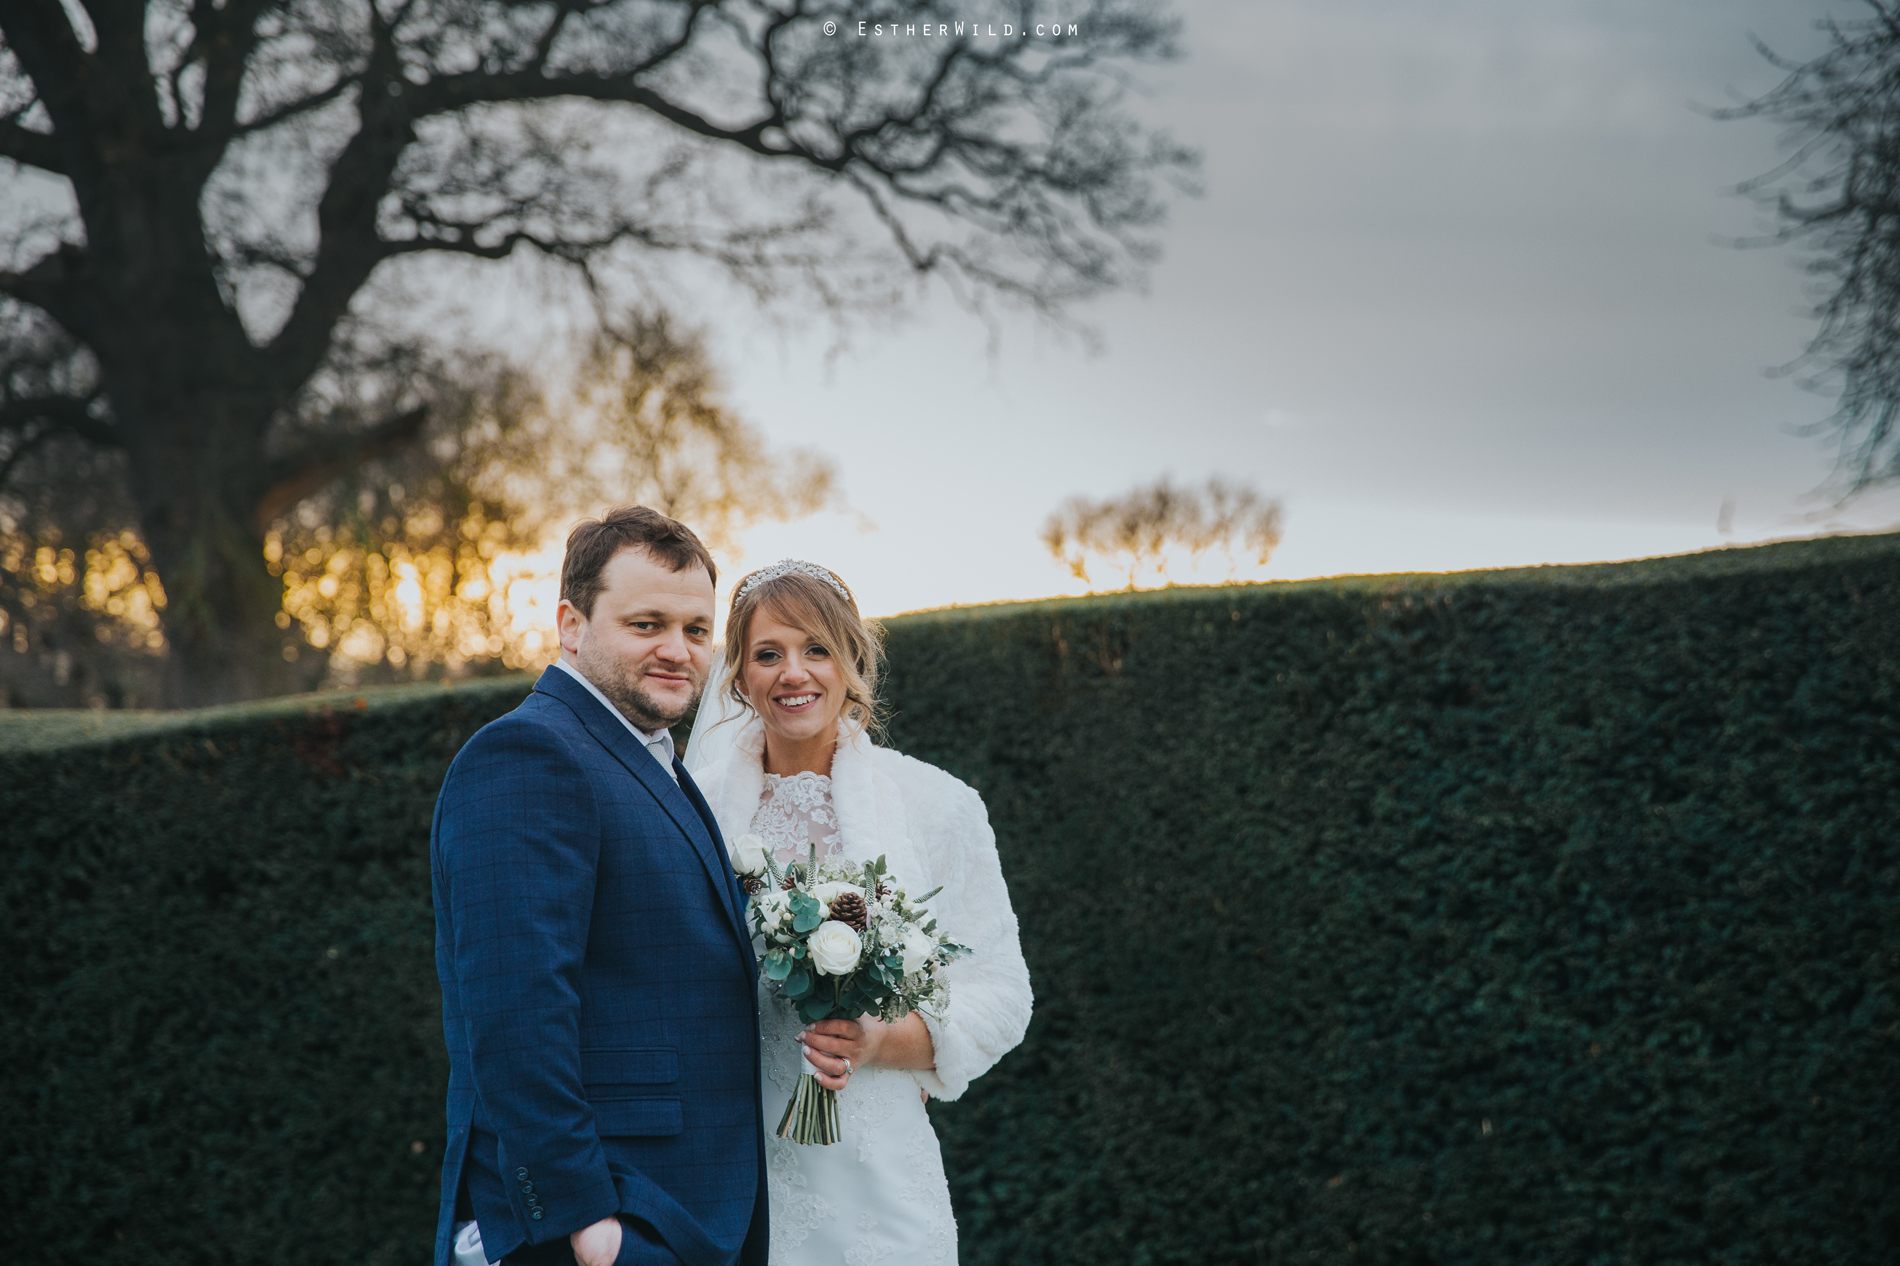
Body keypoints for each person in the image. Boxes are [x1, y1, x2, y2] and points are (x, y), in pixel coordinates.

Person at [430, 507, 819, 1266]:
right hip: (601, 1222)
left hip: (681, 1209)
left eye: (697, 631)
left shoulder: (654, 761)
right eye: (647, 625)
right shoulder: (528, 754)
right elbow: (515, 1008)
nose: (678, 652)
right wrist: (583, 1219)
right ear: (571, 625)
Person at [685, 559, 1033, 1266]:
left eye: (816, 648)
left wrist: (879, 1041)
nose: (795, 673)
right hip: (725, 1168)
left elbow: (1001, 994)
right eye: (768, 654)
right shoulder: (690, 807)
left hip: (878, 1175)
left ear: (851, 661)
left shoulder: (938, 806)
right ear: (739, 677)